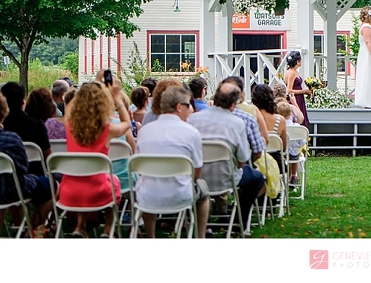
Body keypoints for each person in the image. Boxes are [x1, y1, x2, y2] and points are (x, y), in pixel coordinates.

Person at [188, 82, 265, 234]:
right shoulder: (237, 123)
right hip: (226, 178)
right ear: (233, 104)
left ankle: (204, 224)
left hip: (194, 177)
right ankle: (238, 222)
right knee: (257, 178)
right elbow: (243, 159)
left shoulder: (193, 120)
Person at [58, 81, 131, 237]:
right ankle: (108, 229)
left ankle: (80, 226)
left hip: (70, 191)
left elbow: (68, 110)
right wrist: (117, 98)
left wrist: (78, 95)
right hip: (98, 191)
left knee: (85, 181)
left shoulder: (69, 125)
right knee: (114, 181)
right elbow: (126, 123)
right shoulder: (107, 129)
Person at [135, 86, 210, 238]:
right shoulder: (191, 132)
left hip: (147, 195)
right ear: (178, 107)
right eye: (188, 105)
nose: (191, 109)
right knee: (203, 188)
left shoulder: (145, 131)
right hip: (180, 194)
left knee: (147, 187)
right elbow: (197, 172)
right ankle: (200, 236)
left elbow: (139, 166)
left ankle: (151, 235)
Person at [0, 92, 55, 237]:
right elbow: (22, 168)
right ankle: (30, 230)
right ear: (3, 112)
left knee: (8, 183)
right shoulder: (11, 139)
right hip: (10, 189)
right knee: (54, 185)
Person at [0, 82, 51, 176]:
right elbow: (48, 156)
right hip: (35, 174)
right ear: (23, 101)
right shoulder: (37, 125)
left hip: (4, 176)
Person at [276, 101, 305, 186]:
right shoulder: (297, 127)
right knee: (295, 152)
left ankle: (284, 179)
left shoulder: (277, 127)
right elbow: (302, 142)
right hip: (294, 156)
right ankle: (293, 176)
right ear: (290, 113)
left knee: (287, 153)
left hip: (280, 156)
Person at [283, 50, 311, 128]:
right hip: (295, 98)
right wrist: (304, 91)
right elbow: (289, 90)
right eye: (300, 59)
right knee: (298, 118)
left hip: (299, 97)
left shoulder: (295, 71)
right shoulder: (291, 73)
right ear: (297, 61)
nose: (301, 61)